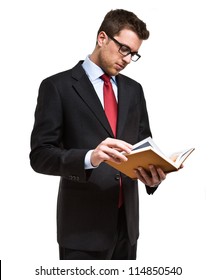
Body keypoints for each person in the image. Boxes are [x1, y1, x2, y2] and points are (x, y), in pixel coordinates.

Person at [30, 9, 166, 260]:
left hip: (127, 229)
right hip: (82, 230)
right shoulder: (57, 87)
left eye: (133, 54)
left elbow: (143, 145)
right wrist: (89, 157)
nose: (127, 59)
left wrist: (153, 175)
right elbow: (40, 156)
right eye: (124, 49)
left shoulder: (133, 90)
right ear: (102, 38)